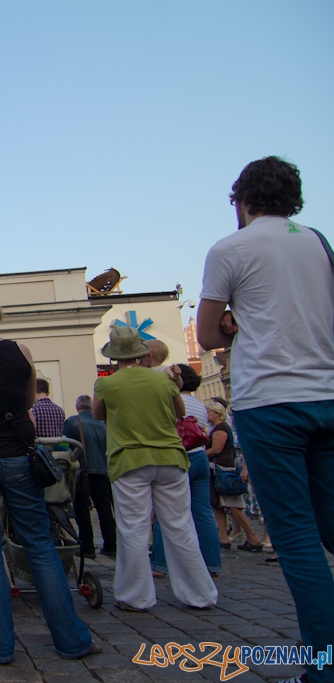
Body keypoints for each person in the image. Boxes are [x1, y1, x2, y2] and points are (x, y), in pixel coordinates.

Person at [199, 158, 334, 683]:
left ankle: (322, 669)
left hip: (271, 402)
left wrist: (238, 322)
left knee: (297, 537)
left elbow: (208, 334)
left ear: (241, 199)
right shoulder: (318, 241)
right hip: (327, 391)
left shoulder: (231, 248)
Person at [0, 287, 98, 663]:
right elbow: (27, 402)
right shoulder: (21, 352)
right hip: (16, 456)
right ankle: (71, 641)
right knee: (40, 544)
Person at [93, 325, 217, 612]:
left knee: (134, 529)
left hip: (130, 461)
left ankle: (136, 596)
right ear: (140, 352)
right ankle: (200, 594)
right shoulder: (163, 381)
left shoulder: (107, 384)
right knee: (180, 526)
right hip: (171, 459)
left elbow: (99, 415)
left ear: (114, 356)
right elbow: (180, 412)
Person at [150, 364, 223, 577]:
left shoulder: (174, 400)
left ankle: (160, 564)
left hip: (180, 458)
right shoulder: (200, 405)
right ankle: (212, 562)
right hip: (200, 457)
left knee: (167, 512)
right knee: (203, 513)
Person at [204, 400, 263, 551]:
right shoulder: (217, 428)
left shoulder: (221, 428)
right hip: (218, 469)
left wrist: (201, 454)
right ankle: (223, 538)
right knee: (217, 504)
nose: (206, 414)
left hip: (223, 469)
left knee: (233, 505)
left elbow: (216, 449)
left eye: (209, 411)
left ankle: (253, 538)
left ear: (217, 413)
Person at [62, 395, 115, 559]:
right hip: (102, 469)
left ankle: (87, 546)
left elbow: (66, 446)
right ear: (90, 407)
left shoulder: (72, 422)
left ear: (77, 407)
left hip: (82, 471)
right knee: (104, 509)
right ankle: (111, 545)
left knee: (82, 508)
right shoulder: (102, 424)